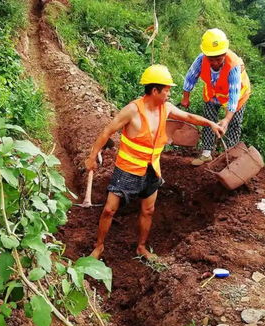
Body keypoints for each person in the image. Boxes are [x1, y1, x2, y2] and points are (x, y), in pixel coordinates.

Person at [85, 64, 224, 260]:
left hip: (152, 170)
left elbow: (188, 117)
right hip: (126, 170)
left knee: (148, 210)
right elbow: (107, 132)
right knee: (109, 210)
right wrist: (92, 157)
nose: (169, 94)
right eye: (167, 90)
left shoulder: (165, 108)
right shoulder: (132, 110)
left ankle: (141, 247)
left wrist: (210, 123)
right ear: (155, 90)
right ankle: (99, 247)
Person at [180, 28, 251, 166]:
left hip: (236, 97)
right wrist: (185, 98)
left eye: (219, 59)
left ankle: (230, 159)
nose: (215, 63)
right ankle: (206, 154)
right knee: (208, 121)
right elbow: (190, 77)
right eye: (211, 59)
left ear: (225, 53)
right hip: (212, 94)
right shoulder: (201, 59)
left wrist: (226, 119)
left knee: (234, 124)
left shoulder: (233, 65)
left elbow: (234, 95)